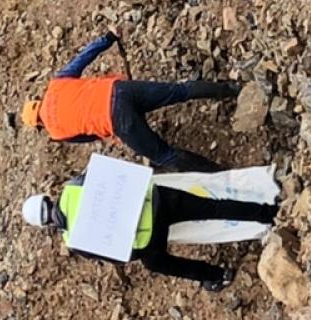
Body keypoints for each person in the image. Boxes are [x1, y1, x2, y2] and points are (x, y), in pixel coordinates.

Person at [20, 31, 241, 172]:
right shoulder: (57, 83)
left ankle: (222, 174)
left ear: (39, 124)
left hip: (116, 120)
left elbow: (91, 136)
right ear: (38, 101)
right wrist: (106, 39)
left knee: (164, 156)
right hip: (120, 90)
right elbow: (83, 58)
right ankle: (234, 90)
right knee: (180, 90)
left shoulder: (56, 133)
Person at [21, 172, 279, 291]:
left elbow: (116, 255)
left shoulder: (74, 240)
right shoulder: (73, 186)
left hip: (148, 237)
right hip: (156, 199)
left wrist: (140, 246)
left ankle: (217, 275)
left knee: (159, 264)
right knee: (213, 207)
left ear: (47, 225)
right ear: (47, 198)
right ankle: (269, 212)